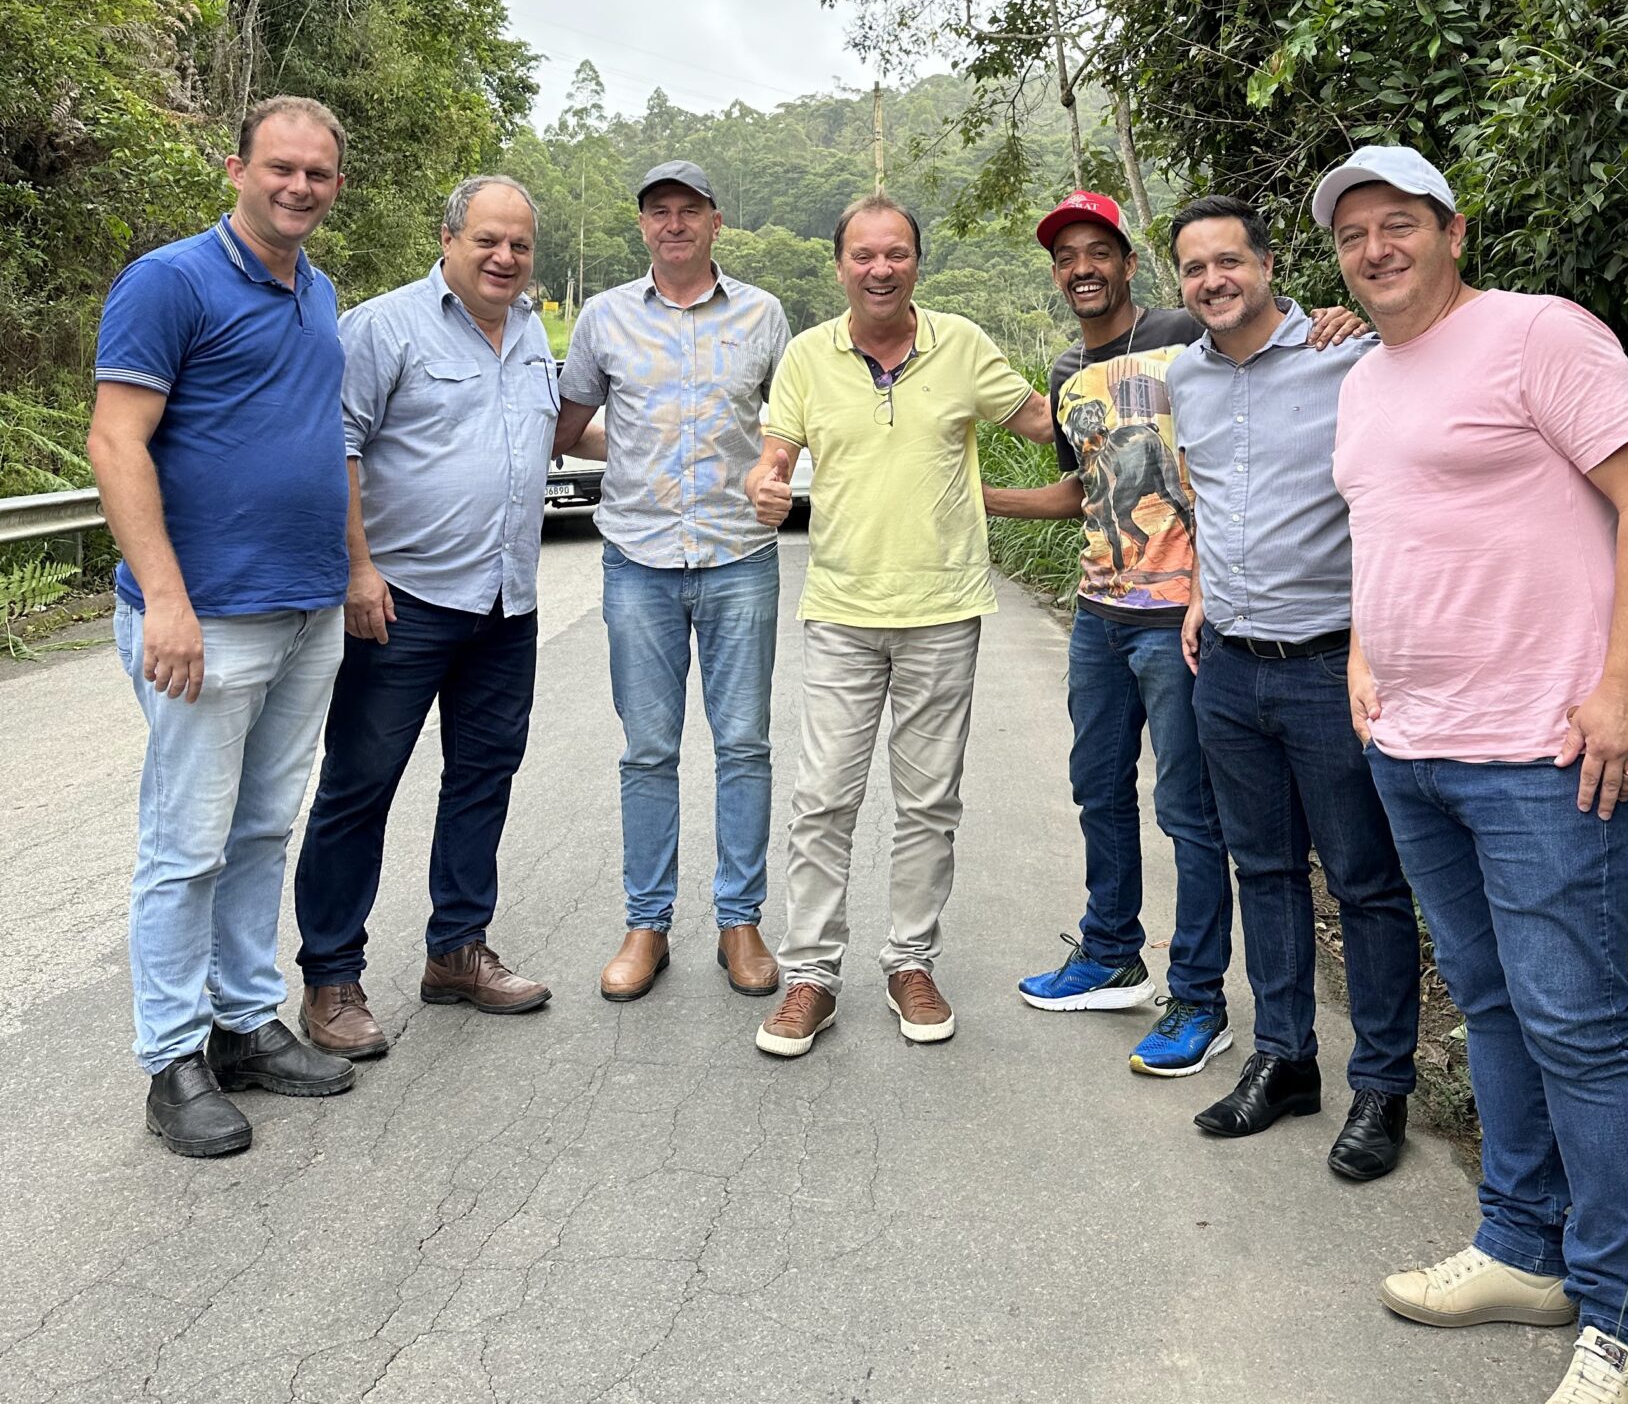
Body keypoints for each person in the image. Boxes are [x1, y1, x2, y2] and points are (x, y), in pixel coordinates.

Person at [1318, 145, 1628, 1404]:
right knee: (1488, 1005)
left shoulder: (1542, 335)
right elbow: (1388, 532)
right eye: (1354, 233)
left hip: (1544, 751)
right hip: (1415, 751)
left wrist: (1627, 682)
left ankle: (1625, 1323)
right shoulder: (1362, 382)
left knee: (1579, 1028)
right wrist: (1364, 656)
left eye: (1398, 223)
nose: (1375, 248)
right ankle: (1525, 1247)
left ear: (1452, 230)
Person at [985, 190, 1363, 1079]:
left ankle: (1198, 997)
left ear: (1129, 263)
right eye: (1066, 257)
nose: (1082, 268)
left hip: (1186, 621)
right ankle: (1112, 953)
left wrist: (1341, 321)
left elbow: (1268, 348)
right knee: (1097, 789)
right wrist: (980, 499)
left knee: (1191, 814)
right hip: (1100, 614)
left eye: (1098, 251)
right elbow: (1087, 491)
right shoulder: (1065, 373)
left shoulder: (1186, 335)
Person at [87, 97, 358, 1158]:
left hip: (305, 610)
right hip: (205, 618)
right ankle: (172, 1058)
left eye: (317, 174)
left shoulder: (317, 290)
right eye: (281, 167)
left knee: (259, 830)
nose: (299, 187)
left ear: (335, 186)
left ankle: (244, 1022)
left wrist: (349, 572)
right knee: (185, 843)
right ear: (238, 167)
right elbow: (117, 440)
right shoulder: (171, 281)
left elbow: (317, 438)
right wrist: (166, 599)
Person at [743, 195, 1057, 1057]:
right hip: (841, 612)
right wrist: (765, 486)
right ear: (840, 265)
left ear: (919, 261)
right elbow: (774, 460)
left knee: (928, 804)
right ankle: (811, 976)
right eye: (863, 255)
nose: (880, 269)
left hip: (944, 611)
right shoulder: (808, 356)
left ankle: (911, 963)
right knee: (822, 800)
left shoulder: (963, 345)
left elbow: (1043, 419)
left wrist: (1144, 371)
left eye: (897, 254)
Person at [1165, 196, 1421, 1183]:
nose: (1213, 280)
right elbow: (1207, 494)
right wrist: (1201, 592)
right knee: (1263, 870)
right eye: (1195, 267)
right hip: (1228, 668)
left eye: (1229, 261)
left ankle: (1383, 1085)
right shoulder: (1185, 375)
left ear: (1268, 265)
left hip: (1330, 665)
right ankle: (1285, 1059)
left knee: (1364, 881)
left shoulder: (1347, 355)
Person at [292, 177, 558, 1058]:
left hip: (505, 603)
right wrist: (356, 569)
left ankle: (457, 951)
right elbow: (336, 443)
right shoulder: (384, 327)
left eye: (519, 245)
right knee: (359, 788)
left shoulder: (532, 333)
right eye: (487, 240)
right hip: (400, 603)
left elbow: (544, 439)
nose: (504, 258)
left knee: (483, 779)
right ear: (448, 239)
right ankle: (332, 977)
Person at [552, 161, 792, 1004]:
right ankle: (646, 924)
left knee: (744, 745)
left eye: (690, 210)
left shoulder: (763, 315)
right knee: (648, 750)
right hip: (639, 562)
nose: (675, 223)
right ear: (644, 226)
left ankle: (740, 922)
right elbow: (567, 428)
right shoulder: (603, 317)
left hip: (738, 558)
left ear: (716, 222)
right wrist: (637, 450)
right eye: (660, 211)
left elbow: (794, 426)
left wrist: (772, 474)